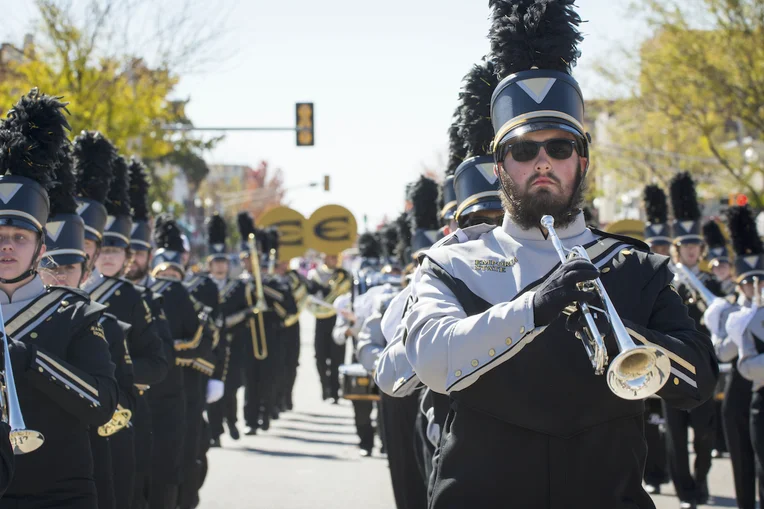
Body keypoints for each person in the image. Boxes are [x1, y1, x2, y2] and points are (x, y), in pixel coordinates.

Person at [404, 3, 718, 508]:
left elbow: (699, 377)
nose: (542, 162)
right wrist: (534, 308)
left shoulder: (632, 265)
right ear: (500, 165)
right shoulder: (453, 263)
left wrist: (624, 336)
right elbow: (433, 362)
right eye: (524, 151)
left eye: (559, 146)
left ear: (582, 158)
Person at [0, 89, 118, 509]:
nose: (7, 247)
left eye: (19, 237)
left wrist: (30, 361)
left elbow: (102, 405)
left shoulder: (77, 313)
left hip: (59, 496)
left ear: (39, 246)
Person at [41, 141, 136, 509]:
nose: (59, 276)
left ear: (87, 263)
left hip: (82, 461)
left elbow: (118, 403)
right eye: (52, 268)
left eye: (68, 268)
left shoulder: (102, 322)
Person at [666, 172, 722, 508]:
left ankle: (701, 481)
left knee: (704, 434)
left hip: (704, 365)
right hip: (673, 364)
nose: (691, 251)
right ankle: (685, 491)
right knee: (675, 435)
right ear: (677, 249)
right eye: (685, 246)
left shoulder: (713, 285)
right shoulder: (667, 281)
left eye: (695, 246)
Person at [148, 215, 211, 509]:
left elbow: (204, 342)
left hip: (187, 384)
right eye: (165, 271)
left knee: (185, 452)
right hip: (153, 384)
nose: (169, 278)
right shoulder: (143, 295)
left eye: (174, 272)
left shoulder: (191, 295)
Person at [708, 205, 763, 509]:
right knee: (742, 458)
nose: (755, 288)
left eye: (760, 281)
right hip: (738, 390)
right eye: (749, 282)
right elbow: (721, 352)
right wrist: (739, 329)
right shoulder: (727, 308)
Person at [641, 183, 672, 494]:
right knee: (650, 427)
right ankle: (654, 476)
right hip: (647, 362)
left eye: (665, 248)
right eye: (655, 247)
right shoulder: (644, 277)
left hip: (675, 362)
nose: (660, 253)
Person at [307, 252, 351, 403]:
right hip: (321, 320)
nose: (334, 259)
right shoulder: (315, 274)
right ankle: (324, 386)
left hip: (338, 319)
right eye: (331, 256)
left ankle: (334, 391)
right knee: (320, 356)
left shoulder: (344, 275)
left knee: (337, 357)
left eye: (335, 256)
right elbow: (310, 295)